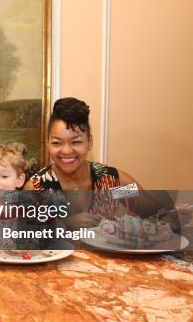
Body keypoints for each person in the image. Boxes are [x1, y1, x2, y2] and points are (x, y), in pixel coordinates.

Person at [24, 97, 177, 229]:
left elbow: (158, 213)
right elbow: (22, 237)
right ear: (48, 143)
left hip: (108, 263)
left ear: (89, 142)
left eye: (76, 142)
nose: (66, 151)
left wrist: (169, 220)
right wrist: (65, 226)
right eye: (57, 143)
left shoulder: (113, 183)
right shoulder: (36, 188)